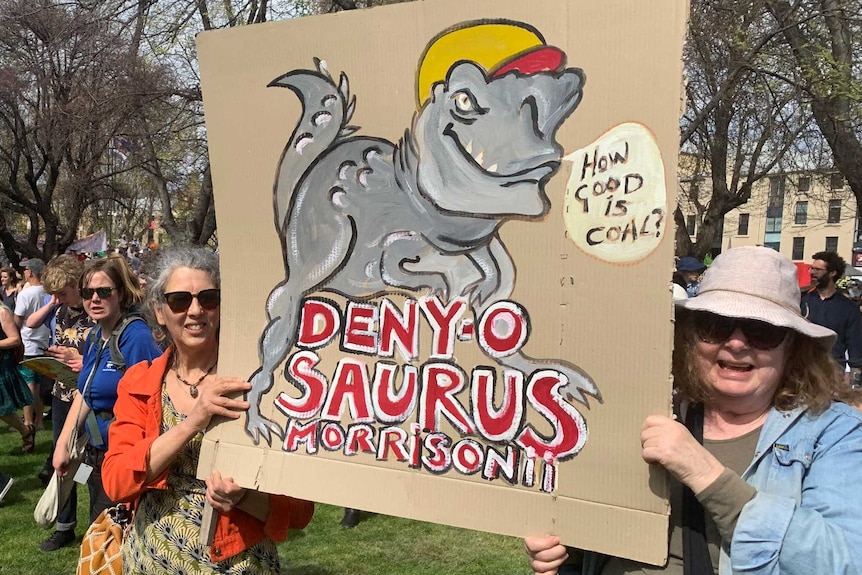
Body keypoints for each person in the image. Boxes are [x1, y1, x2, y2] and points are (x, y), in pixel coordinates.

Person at [525, 246, 862, 575]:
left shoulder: (834, 432)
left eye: (762, 331)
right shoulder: (648, 408)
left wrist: (704, 473)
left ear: (793, 346)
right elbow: (594, 529)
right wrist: (561, 553)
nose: (736, 343)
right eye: (716, 325)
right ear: (689, 336)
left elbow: (844, 562)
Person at [102, 246, 313, 574]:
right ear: (159, 311)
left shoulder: (259, 385)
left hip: (239, 562)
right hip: (152, 558)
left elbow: (300, 511)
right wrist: (192, 422)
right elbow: (117, 482)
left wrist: (242, 499)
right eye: (180, 300)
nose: (196, 310)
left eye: (208, 298)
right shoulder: (140, 383)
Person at [53, 254, 162, 524]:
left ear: (122, 293)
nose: (94, 299)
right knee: (99, 529)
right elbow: (86, 393)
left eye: (104, 291)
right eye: (87, 292)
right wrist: (63, 444)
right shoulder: (94, 336)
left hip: (123, 458)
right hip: (96, 451)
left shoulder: (136, 338)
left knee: (108, 542)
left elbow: (153, 404)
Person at [26, 255, 96, 551]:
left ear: (77, 284)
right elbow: (32, 325)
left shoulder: (97, 311)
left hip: (90, 399)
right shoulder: (61, 309)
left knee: (90, 464)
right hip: (62, 395)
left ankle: (99, 524)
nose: (58, 299)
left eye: (62, 293)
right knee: (62, 460)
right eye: (53, 294)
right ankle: (64, 526)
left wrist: (79, 361)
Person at [801, 251, 862, 386]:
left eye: (817, 269)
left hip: (832, 375)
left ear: (832, 273)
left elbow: (855, 347)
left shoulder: (849, 308)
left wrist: (855, 384)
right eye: (811, 268)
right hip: (801, 371)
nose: (812, 272)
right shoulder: (802, 300)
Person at [14, 258, 51, 432]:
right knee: (38, 385)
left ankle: (28, 422)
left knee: (28, 385)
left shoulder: (26, 294)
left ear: (31, 272)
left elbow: (17, 319)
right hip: (44, 343)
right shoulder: (48, 292)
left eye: (25, 270)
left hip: (28, 344)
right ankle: (40, 421)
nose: (23, 272)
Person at [0, 302, 35, 453]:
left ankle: (25, 431)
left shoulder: (2, 312)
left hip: (2, 364)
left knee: (3, 409)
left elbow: (14, 339)